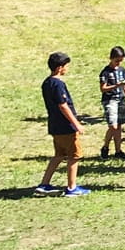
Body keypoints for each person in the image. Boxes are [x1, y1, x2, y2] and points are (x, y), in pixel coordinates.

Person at [36, 52, 89, 197]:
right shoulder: (58, 84)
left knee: (59, 155)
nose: (67, 69)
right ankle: (71, 188)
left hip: (54, 125)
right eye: (66, 66)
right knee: (74, 156)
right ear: (60, 68)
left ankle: (44, 184)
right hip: (66, 126)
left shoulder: (46, 82)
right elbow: (63, 105)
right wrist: (76, 123)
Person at [98, 46, 125, 159]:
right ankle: (105, 146)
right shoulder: (105, 72)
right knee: (113, 126)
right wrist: (116, 86)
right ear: (111, 58)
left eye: (120, 61)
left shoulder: (122, 70)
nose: (118, 63)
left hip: (121, 99)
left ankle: (118, 150)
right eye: (116, 61)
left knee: (119, 126)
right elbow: (103, 88)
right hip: (110, 100)